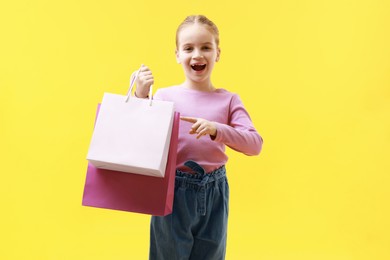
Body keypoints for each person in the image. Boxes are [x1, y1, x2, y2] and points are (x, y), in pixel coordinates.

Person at [135, 14, 263, 260]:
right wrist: (141, 96)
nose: (197, 54)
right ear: (177, 55)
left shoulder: (229, 100)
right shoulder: (163, 96)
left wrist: (217, 129)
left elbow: (255, 145)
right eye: (188, 48)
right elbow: (141, 139)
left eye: (206, 47)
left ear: (218, 53)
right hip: (173, 191)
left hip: (214, 192)